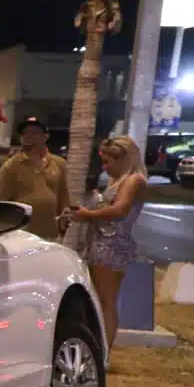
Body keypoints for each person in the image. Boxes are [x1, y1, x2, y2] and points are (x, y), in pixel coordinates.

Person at [71, 135, 147, 352]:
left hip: (113, 244)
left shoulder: (134, 180)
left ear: (123, 158)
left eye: (108, 162)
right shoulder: (119, 180)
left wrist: (88, 214)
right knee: (98, 298)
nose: (105, 168)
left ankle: (103, 352)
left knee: (106, 300)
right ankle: (98, 347)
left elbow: (120, 209)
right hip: (101, 242)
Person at [0, 116, 69, 239]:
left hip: (49, 234)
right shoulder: (11, 165)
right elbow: (1, 201)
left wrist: (63, 225)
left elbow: (63, 197)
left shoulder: (59, 163)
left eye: (34, 132)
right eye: (24, 133)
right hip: (21, 235)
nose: (28, 136)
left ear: (46, 137)